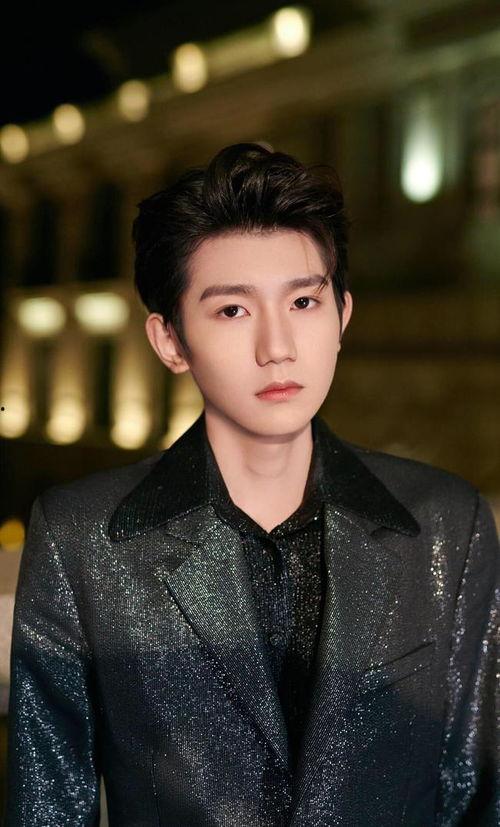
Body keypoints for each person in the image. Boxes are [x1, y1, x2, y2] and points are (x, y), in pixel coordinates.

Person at [5, 142, 499, 826]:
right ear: (170, 341)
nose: (278, 347)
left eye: (303, 301)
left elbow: (479, 794)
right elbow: (48, 807)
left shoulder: (446, 522)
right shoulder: (81, 537)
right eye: (233, 310)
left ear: (342, 316)